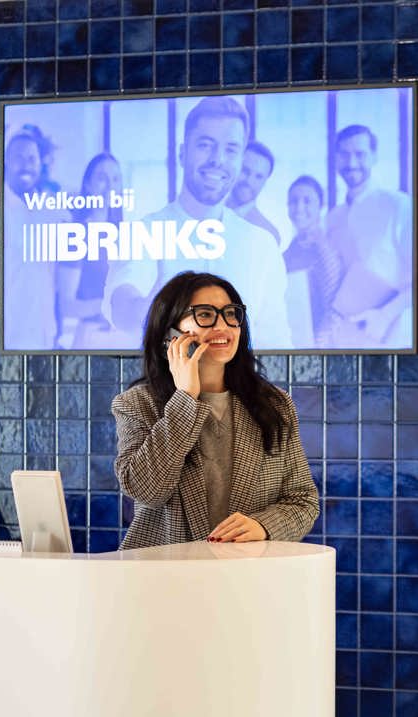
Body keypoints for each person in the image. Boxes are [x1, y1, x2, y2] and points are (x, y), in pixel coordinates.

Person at [112, 271, 319, 550]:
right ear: (170, 333)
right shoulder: (137, 404)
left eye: (231, 314)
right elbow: (147, 490)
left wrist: (264, 525)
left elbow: (303, 500)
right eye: (205, 315)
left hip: (247, 576)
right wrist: (185, 397)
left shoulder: (275, 405)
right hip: (162, 577)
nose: (223, 325)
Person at [102, 96, 292, 350]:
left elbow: (276, 342)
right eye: (205, 145)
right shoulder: (144, 231)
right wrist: (151, 311)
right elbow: (122, 305)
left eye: (231, 150)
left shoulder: (261, 245)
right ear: (182, 153)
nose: (218, 159)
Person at [324, 124, 413, 349]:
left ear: (374, 157)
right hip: (341, 335)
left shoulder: (399, 205)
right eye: (344, 154)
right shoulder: (333, 218)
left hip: (391, 335)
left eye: (360, 154)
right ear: (336, 159)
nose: (351, 163)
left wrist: (384, 315)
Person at [56, 152, 122, 348]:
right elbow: (66, 306)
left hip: (123, 337)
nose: (110, 186)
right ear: (87, 184)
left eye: (116, 179)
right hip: (91, 338)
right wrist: (105, 308)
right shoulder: (76, 234)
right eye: (102, 177)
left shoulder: (126, 233)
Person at [3, 128, 59, 350]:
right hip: (10, 334)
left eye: (31, 158)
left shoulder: (53, 207)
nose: (26, 164)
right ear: (6, 161)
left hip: (46, 332)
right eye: (18, 157)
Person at [282, 175, 340, 346]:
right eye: (293, 201)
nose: (299, 208)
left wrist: (315, 346)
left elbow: (334, 310)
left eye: (307, 201)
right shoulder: (290, 250)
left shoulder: (323, 250)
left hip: (316, 344)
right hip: (291, 338)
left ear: (320, 206)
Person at [226, 140, 281, 245]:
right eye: (245, 171)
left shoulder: (268, 234)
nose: (249, 181)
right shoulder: (205, 211)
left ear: (265, 182)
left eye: (258, 177)